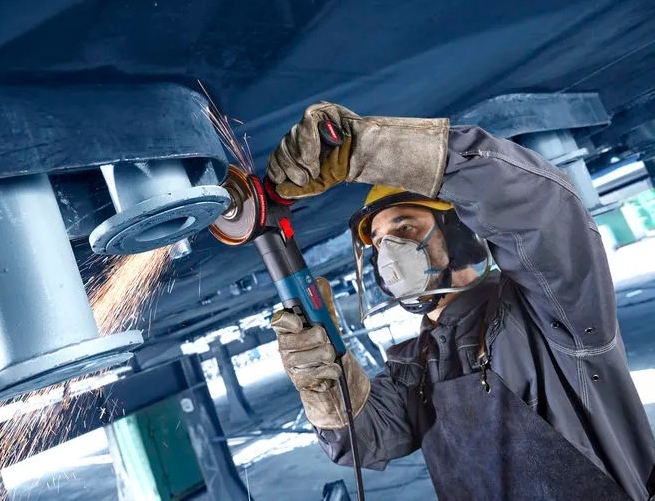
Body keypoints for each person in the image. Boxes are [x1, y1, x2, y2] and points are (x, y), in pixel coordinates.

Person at [266, 102, 655, 500]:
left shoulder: (551, 311)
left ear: (456, 231)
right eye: (379, 242)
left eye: (405, 227)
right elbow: (364, 439)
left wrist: (366, 147)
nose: (390, 253)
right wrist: (324, 384)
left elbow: (540, 210)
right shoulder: (417, 366)